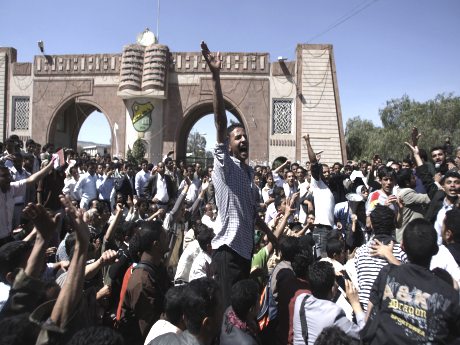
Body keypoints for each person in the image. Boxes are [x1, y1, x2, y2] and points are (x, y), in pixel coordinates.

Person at [201, 41, 276, 306]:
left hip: (245, 254)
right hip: (227, 254)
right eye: (237, 137)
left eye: (245, 136)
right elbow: (220, 121)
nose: (242, 140)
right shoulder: (224, 164)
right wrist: (215, 77)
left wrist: (276, 240)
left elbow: (252, 214)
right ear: (228, 144)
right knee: (226, 315)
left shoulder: (248, 173)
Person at [364, 219, 460, 344]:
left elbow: (368, 319)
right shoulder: (450, 296)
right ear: (435, 250)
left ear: (402, 246)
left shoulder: (387, 275)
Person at [292, 261, 365, 345]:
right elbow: (364, 335)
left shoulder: (301, 300)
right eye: (335, 281)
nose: (337, 284)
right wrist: (355, 303)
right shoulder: (334, 313)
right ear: (332, 288)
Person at [150, 278, 223, 345]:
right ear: (207, 323)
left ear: (184, 318)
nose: (224, 313)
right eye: (220, 308)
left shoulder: (159, 341)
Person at [0, 158, 55, 245]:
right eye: (4, 176)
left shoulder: (12, 188)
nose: (9, 178)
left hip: (8, 237)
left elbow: (31, 180)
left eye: (9, 175)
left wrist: (50, 166)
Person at [220, 279, 261, 345]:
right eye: (259, 299)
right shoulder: (248, 343)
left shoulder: (229, 311)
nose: (260, 302)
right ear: (251, 309)